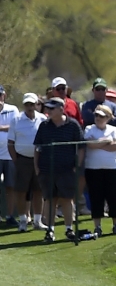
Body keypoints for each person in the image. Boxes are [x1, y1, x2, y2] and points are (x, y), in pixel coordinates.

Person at [33, 100, 85, 243]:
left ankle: (69, 229)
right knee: (50, 200)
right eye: (47, 108)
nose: (48, 111)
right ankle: (50, 230)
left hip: (66, 170)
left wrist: (77, 165)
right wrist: (36, 166)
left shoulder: (73, 125)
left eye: (51, 108)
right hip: (46, 170)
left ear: (61, 109)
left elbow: (81, 146)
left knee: (67, 200)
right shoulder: (44, 126)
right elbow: (38, 147)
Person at [81, 104, 116, 237]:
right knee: (96, 197)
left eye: (101, 116)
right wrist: (107, 141)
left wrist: (99, 143)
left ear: (108, 118)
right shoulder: (89, 128)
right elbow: (90, 144)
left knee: (114, 196)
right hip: (93, 169)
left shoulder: (114, 129)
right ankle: (97, 227)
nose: (98, 118)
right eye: (96, 115)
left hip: (112, 168)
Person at [8, 94, 42, 232]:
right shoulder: (16, 120)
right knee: (21, 191)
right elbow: (10, 143)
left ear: (36, 104)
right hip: (22, 159)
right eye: (27, 104)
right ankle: (23, 220)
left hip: (39, 160)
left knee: (39, 190)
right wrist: (16, 160)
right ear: (24, 105)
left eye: (32, 104)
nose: (29, 107)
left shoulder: (43, 119)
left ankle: (38, 221)